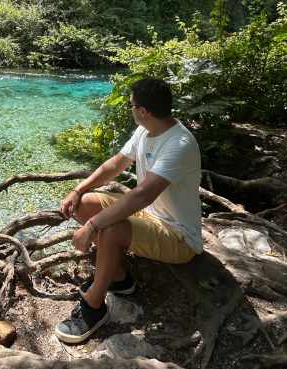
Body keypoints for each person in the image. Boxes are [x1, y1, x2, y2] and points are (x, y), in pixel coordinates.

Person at [54, 77, 203, 344]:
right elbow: (115, 164)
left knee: (108, 227)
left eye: (131, 105)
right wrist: (78, 190)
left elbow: (142, 195)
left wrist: (92, 226)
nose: (130, 109)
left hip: (179, 237)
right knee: (85, 204)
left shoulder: (179, 144)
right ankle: (119, 278)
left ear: (143, 111)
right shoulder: (146, 131)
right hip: (151, 217)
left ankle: (94, 307)